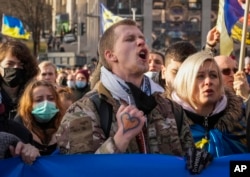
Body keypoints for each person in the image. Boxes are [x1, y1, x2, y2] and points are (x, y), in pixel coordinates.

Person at [56, 19, 212, 174]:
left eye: (142, 39)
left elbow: (188, 159)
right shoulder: (83, 112)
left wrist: (197, 158)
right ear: (111, 55)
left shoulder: (170, 108)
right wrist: (120, 140)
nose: (141, 42)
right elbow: (78, 172)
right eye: (130, 39)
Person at [171, 51, 248, 157]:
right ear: (185, 82)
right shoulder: (167, 124)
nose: (208, 81)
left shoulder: (242, 120)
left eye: (213, 75)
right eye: (200, 76)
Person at [14, 80, 65, 155]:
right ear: (29, 104)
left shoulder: (65, 124)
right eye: (39, 100)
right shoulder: (18, 127)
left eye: (51, 98)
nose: (46, 103)